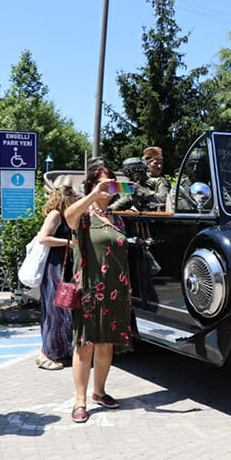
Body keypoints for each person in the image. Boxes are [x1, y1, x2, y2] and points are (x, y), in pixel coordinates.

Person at [64, 162, 133, 423]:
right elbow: (68, 217)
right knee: (85, 345)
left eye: (111, 184)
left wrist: (128, 286)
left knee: (107, 344)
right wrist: (92, 195)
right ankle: (80, 400)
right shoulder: (83, 215)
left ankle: (99, 392)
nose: (108, 189)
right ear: (91, 186)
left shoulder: (117, 219)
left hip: (116, 290)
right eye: (102, 184)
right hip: (91, 289)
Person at [35, 185, 78, 370]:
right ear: (66, 197)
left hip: (64, 264)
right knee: (54, 309)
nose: (77, 197)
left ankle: (60, 349)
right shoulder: (56, 215)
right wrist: (70, 242)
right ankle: (46, 354)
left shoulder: (67, 214)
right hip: (55, 265)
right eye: (74, 194)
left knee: (64, 309)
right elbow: (44, 238)